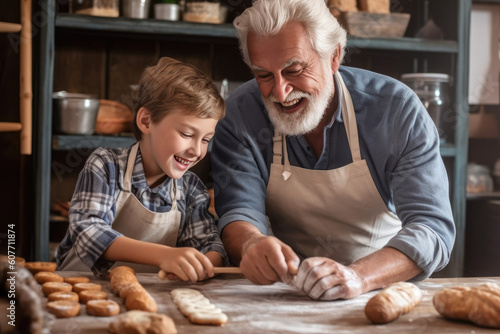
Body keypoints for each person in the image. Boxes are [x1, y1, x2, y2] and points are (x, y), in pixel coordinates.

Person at [211, 0, 455, 300]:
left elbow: (432, 228)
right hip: (282, 294)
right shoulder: (241, 114)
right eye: (263, 75)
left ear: (334, 56)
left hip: (376, 289)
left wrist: (358, 276)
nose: (279, 92)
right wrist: (250, 244)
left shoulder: (395, 111)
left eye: (294, 70)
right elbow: (239, 210)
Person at [56, 57, 228, 282]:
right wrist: (164, 255)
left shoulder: (191, 189)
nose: (197, 151)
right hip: (82, 291)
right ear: (146, 121)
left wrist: (201, 264)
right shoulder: (106, 165)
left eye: (206, 139)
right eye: (186, 134)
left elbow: (209, 244)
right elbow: (89, 230)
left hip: (151, 301)